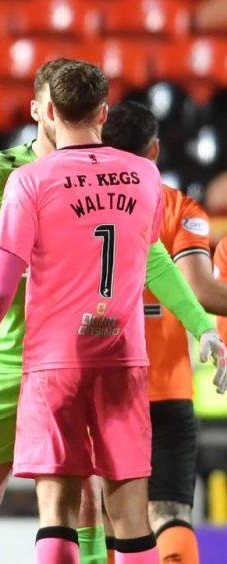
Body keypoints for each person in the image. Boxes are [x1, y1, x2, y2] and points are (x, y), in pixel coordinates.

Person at [0, 59, 226, 564]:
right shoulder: (134, 175)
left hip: (54, 359)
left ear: (46, 110)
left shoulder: (34, 183)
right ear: (102, 112)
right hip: (61, 356)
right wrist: (205, 328)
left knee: (69, 507)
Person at [102, 100, 227, 564]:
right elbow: (199, 290)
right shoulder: (180, 207)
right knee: (170, 512)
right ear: (155, 150)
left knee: (106, 521)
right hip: (168, 388)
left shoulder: (80, 204)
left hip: (104, 383)